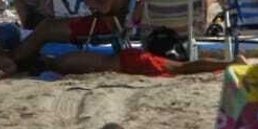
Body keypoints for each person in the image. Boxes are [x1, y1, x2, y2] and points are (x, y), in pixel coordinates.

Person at [42, 27, 234, 78]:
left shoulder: (61, 64)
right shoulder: (63, 60)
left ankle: (227, 64)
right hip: (128, 59)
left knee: (183, 68)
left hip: (128, 63)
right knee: (183, 67)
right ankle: (226, 63)